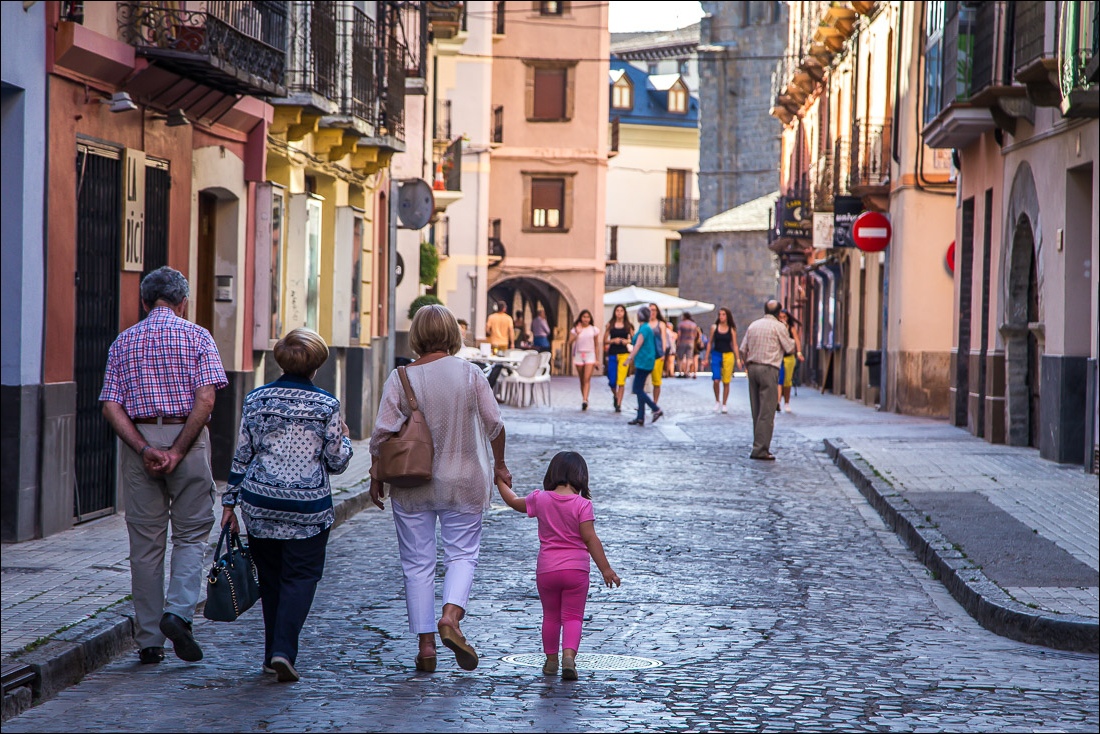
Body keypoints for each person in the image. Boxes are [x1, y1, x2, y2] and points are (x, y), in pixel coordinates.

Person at [369, 305, 510, 672]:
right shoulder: (470, 374)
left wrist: (375, 474)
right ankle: (450, 616)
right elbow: (495, 424)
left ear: (416, 336)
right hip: (465, 479)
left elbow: (382, 433)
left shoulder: (401, 377)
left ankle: (427, 645)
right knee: (462, 555)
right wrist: (500, 466)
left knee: (417, 563)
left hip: (412, 481)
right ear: (452, 334)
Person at [99, 266, 227, 666]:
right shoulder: (198, 336)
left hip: (140, 440)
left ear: (144, 302)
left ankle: (149, 640)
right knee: (191, 535)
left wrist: (143, 448)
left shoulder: (124, 341)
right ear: (183, 302)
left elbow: (110, 406)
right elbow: (206, 400)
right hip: (186, 437)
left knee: (145, 545)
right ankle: (179, 614)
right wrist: (178, 450)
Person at [220, 328, 353, 683]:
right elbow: (336, 462)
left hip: (260, 503)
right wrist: (345, 439)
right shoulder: (326, 405)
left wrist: (229, 504)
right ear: (317, 364)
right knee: (301, 576)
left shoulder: (256, 399)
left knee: (271, 579)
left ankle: (271, 655)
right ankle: (283, 651)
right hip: (307, 509)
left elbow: (243, 453)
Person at [495, 452, 620, 680]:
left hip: (547, 569)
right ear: (581, 476)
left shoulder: (540, 499)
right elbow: (590, 538)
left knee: (551, 616)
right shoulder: (583, 505)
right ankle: (569, 658)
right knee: (573, 617)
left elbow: (513, 501)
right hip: (576, 570)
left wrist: (500, 481)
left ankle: (551, 660)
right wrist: (606, 569)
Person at [740, 300, 796, 460]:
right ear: (778, 313)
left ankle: (757, 444)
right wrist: (789, 332)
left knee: (756, 409)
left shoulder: (754, 325)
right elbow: (789, 348)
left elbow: (743, 349)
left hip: (753, 368)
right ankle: (760, 449)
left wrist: (747, 364)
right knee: (767, 411)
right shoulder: (779, 327)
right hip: (769, 369)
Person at [624, 305, 664, 426]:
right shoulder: (645, 327)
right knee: (640, 388)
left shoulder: (645, 329)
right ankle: (640, 416)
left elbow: (638, 345)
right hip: (644, 361)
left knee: (637, 388)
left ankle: (656, 409)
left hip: (644, 362)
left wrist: (629, 358)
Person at [702, 308, 742, 414]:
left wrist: (738, 359)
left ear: (727, 316)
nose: (721, 317)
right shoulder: (714, 328)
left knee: (726, 381)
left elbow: (734, 345)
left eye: (723, 314)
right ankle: (717, 400)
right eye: (720, 314)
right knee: (716, 379)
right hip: (716, 354)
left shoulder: (731, 329)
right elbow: (710, 342)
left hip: (728, 355)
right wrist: (706, 357)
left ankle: (724, 403)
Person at [567, 310, 601, 411]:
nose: (586, 319)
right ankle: (584, 398)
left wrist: (597, 359)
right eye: (584, 317)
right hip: (579, 354)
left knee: (587, 378)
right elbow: (569, 342)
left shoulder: (594, 329)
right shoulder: (575, 329)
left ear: (590, 319)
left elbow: (596, 345)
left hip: (590, 354)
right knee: (582, 379)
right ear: (580, 318)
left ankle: (585, 400)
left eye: (588, 317)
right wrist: (577, 333)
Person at [602, 304, 634, 412]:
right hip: (613, 353)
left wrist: (627, 341)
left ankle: (619, 404)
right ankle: (615, 396)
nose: (619, 313)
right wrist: (613, 340)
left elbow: (634, 339)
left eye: (621, 311)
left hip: (624, 354)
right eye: (617, 310)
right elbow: (605, 340)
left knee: (621, 380)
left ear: (624, 313)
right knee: (612, 381)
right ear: (614, 312)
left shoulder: (628, 325)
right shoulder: (610, 325)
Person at [776, 309, 804, 414]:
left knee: (787, 381)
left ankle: (786, 402)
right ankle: (778, 402)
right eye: (780, 317)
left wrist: (799, 352)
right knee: (779, 380)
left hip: (789, 357)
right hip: (778, 357)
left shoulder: (791, 328)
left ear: (788, 318)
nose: (782, 319)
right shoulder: (776, 328)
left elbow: (797, 340)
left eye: (784, 317)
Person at [646, 304, 667, 405]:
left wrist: (663, 352)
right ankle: (642, 402)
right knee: (643, 380)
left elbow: (663, 339)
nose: (652, 312)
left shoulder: (661, 324)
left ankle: (655, 402)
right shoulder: (645, 324)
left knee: (656, 381)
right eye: (650, 310)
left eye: (654, 310)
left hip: (657, 355)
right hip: (646, 355)